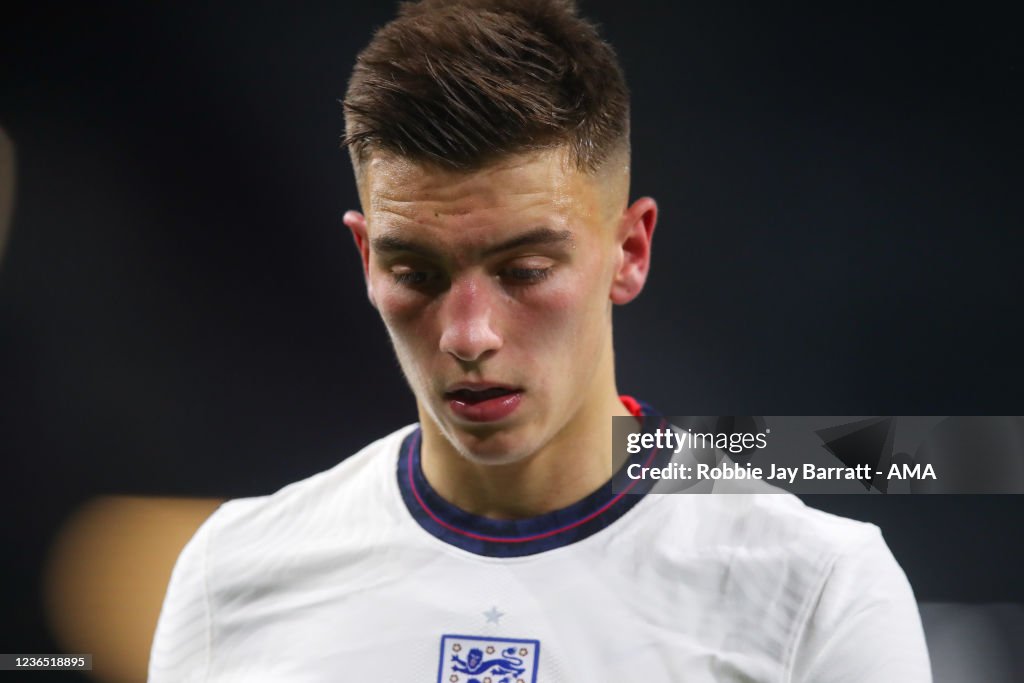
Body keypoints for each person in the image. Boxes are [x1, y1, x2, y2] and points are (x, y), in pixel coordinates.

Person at [149, 1, 932, 680]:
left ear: (630, 252)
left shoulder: (818, 592)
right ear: (365, 259)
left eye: (523, 270)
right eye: (415, 272)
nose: (468, 334)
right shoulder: (234, 577)